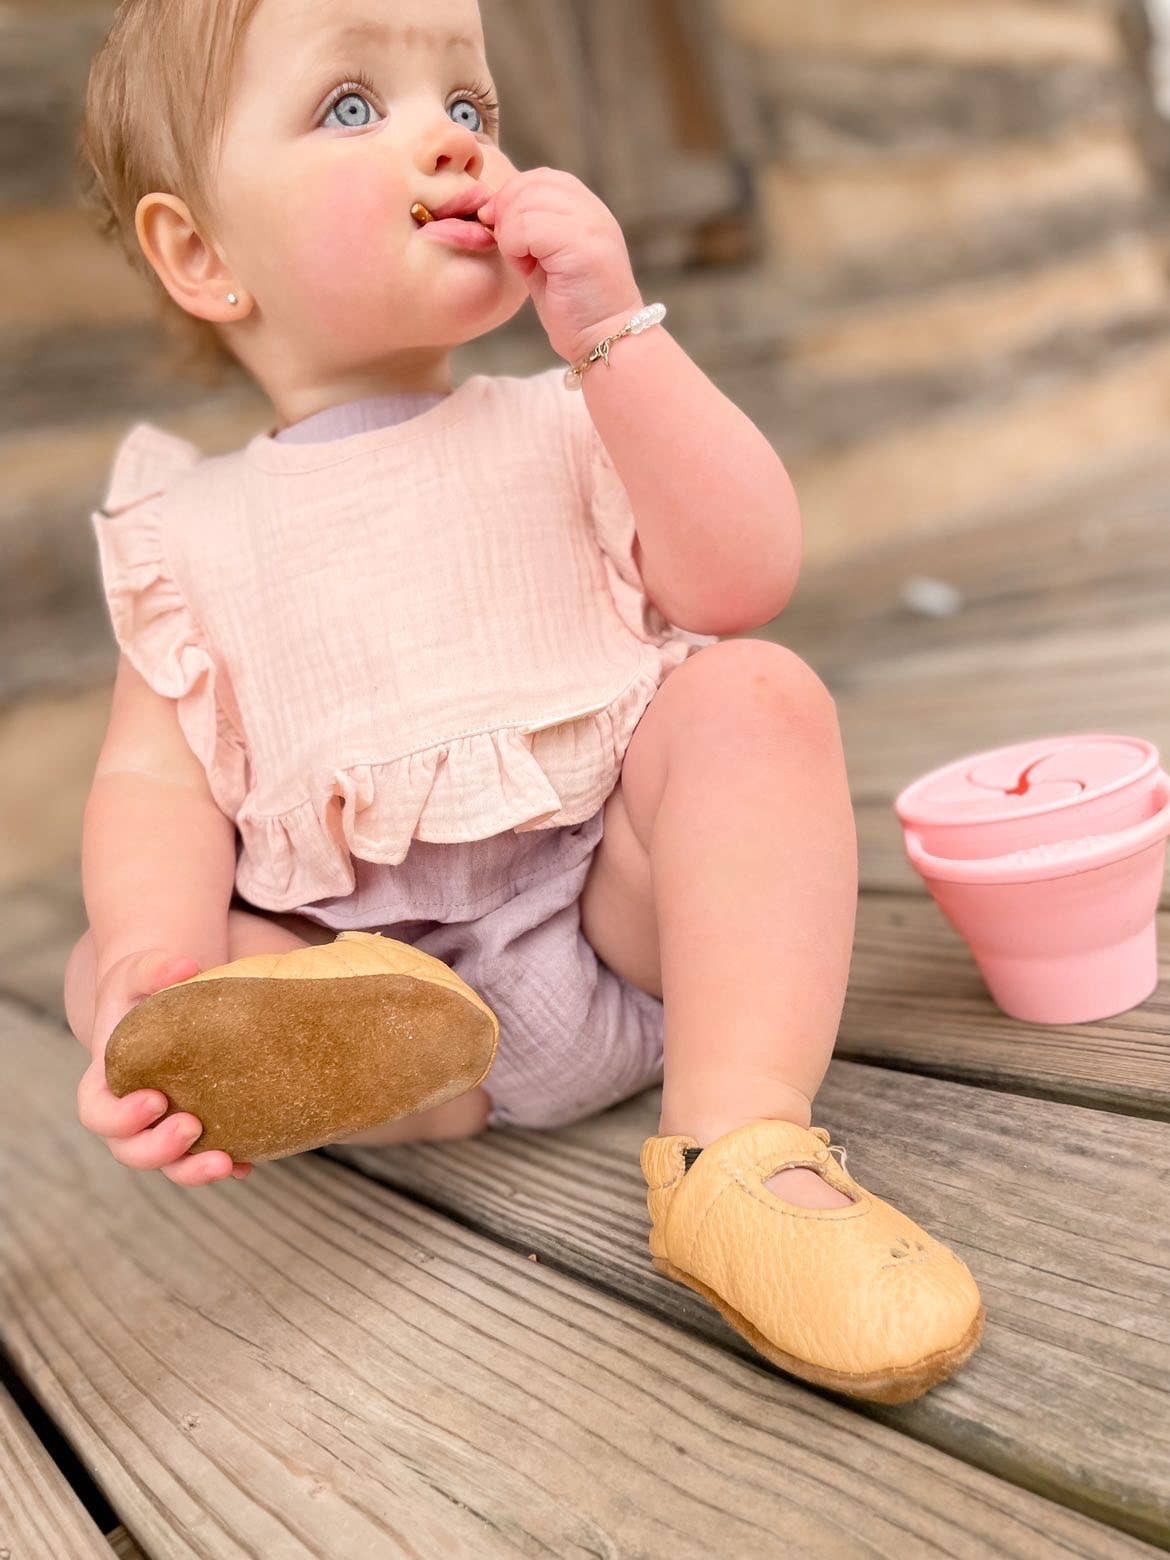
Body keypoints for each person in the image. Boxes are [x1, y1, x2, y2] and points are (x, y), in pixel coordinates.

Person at [63, 0, 983, 1401]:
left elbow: (743, 578)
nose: (448, 140)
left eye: (471, 108)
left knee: (753, 697)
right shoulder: (180, 532)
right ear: (200, 254)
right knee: (110, 968)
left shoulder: (570, 415)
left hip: (617, 931)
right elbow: (151, 787)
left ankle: (737, 1146)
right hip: (369, 986)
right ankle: (373, 1085)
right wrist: (151, 958)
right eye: (355, 108)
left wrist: (613, 334)